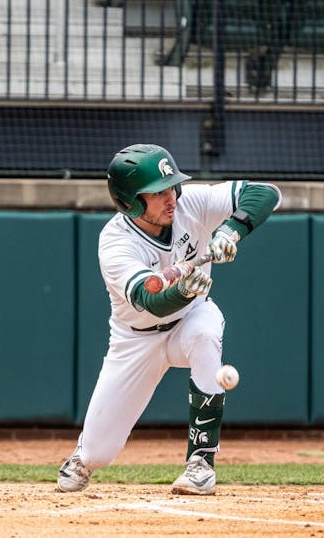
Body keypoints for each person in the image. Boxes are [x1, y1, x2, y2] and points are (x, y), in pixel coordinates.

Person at [57, 144, 281, 496]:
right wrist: (183, 290)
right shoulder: (116, 242)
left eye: (171, 187)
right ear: (130, 200)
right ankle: (82, 457)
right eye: (157, 193)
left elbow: (266, 193)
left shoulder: (190, 203)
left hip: (191, 318)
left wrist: (231, 230)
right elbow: (151, 303)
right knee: (99, 451)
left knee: (206, 331)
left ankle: (201, 464)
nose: (170, 198)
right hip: (137, 338)